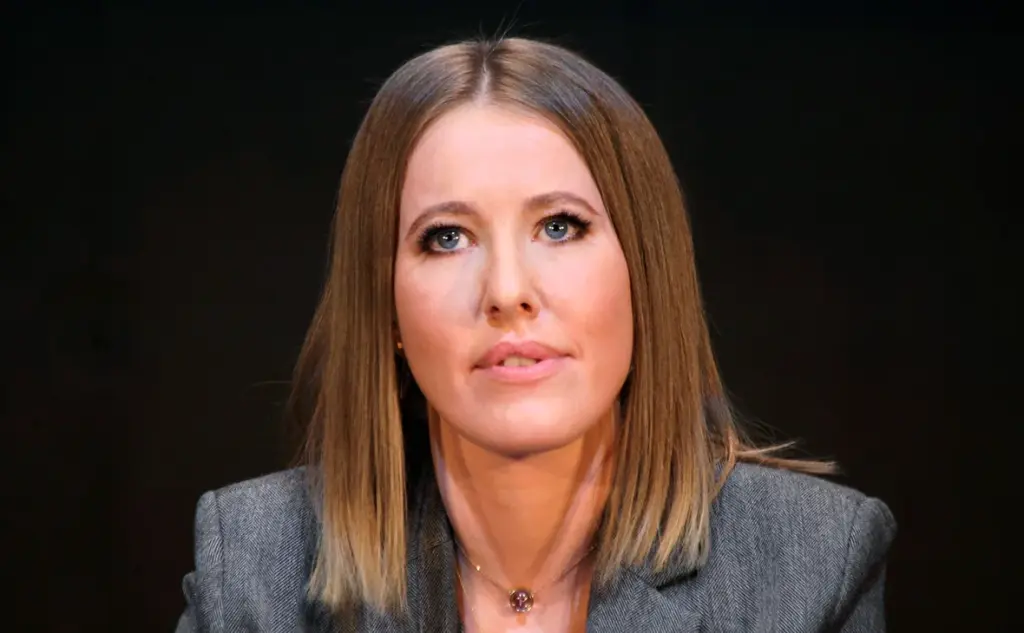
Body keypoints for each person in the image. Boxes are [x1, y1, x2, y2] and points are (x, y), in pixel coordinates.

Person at [175, 37, 896, 633]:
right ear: (385, 308)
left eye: (559, 226)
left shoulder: (810, 561)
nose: (507, 290)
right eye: (447, 237)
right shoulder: (255, 563)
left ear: (645, 273)